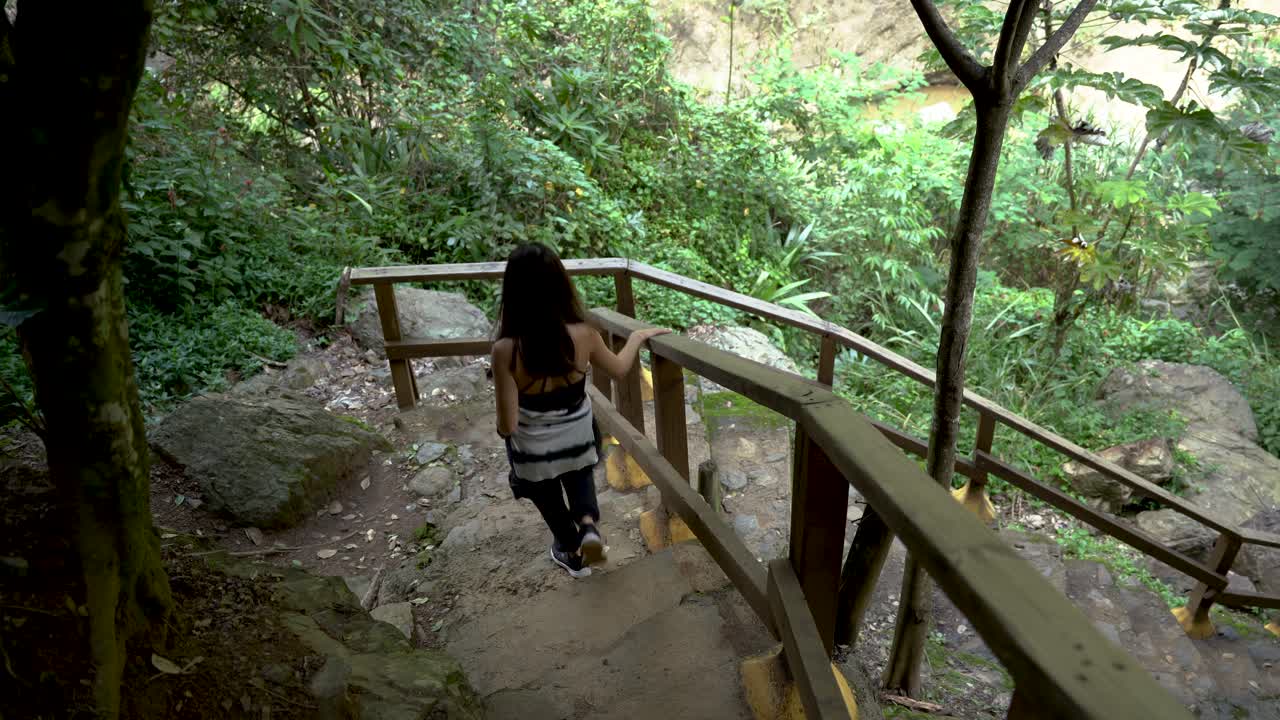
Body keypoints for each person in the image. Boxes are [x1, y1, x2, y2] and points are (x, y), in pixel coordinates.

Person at [492, 243, 669, 578]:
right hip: (577, 435)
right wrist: (638, 337)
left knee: (540, 488)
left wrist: (503, 432)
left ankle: (572, 550)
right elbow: (619, 369)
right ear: (561, 284)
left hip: (534, 449)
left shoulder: (505, 350)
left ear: (513, 291)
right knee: (579, 472)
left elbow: (508, 423)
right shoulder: (585, 334)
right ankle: (588, 524)